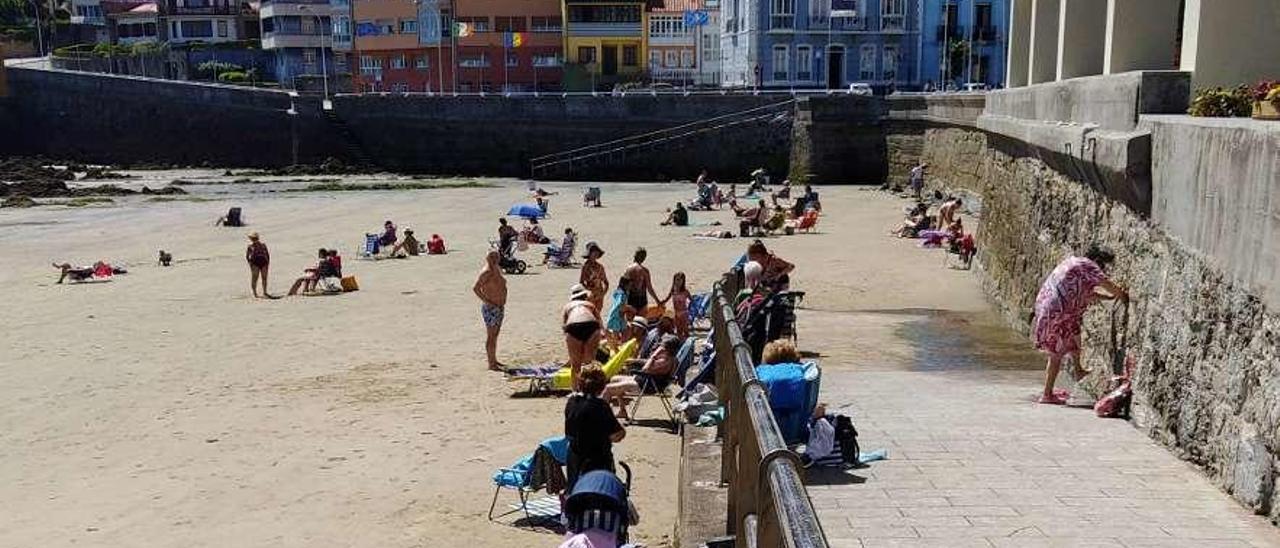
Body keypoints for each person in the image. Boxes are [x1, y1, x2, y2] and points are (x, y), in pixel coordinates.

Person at [1032, 245, 1128, 405]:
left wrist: (1107, 297)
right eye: (1104, 266)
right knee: (1056, 354)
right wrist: (1121, 295)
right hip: (1057, 312)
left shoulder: (1075, 263)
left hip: (1050, 307)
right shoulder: (1089, 265)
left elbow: (1083, 293)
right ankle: (1047, 395)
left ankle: (1078, 370)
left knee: (1074, 333)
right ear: (1098, 261)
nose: (1103, 270)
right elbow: (1106, 283)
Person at [564, 364, 626, 491]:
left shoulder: (571, 402)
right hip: (598, 459)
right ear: (601, 386)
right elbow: (618, 434)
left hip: (575, 456)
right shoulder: (601, 406)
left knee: (575, 489)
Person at [604, 335, 681, 420]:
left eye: (662, 345)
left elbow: (645, 369)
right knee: (614, 379)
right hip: (645, 381)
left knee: (608, 389)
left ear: (667, 347)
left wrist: (654, 355)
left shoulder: (665, 361)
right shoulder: (671, 358)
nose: (659, 346)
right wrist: (635, 361)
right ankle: (622, 411)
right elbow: (648, 363)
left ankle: (602, 417)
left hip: (645, 386)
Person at [563, 284, 604, 391]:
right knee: (589, 363)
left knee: (575, 364)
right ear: (585, 295)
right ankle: (591, 389)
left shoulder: (568, 306)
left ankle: (574, 390)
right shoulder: (590, 304)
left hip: (573, 327)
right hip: (591, 326)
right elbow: (600, 324)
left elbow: (564, 326)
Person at [473, 250, 508, 372]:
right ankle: (491, 363)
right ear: (487, 258)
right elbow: (476, 288)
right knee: (491, 336)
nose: (495, 258)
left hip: (499, 307)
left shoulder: (497, 269)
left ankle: (494, 360)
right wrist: (488, 301)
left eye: (496, 256)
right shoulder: (486, 272)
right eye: (492, 257)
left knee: (495, 335)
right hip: (491, 308)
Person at [623, 248, 660, 313]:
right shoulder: (645, 271)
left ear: (634, 256)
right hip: (642, 299)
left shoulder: (628, 269)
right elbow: (650, 289)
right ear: (644, 259)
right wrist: (657, 301)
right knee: (642, 321)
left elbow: (623, 287)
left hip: (631, 298)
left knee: (631, 322)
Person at [580, 241, 609, 312]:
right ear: (589, 254)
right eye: (593, 252)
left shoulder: (600, 267)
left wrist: (603, 294)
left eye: (596, 252)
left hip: (599, 294)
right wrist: (588, 291)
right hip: (590, 295)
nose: (595, 254)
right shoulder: (585, 267)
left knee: (597, 314)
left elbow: (606, 283)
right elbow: (581, 282)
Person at [664, 272, 692, 338]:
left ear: (683, 281)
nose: (678, 282)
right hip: (676, 313)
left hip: (684, 313)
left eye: (680, 280)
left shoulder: (685, 291)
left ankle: (688, 343)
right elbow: (667, 298)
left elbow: (692, 300)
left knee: (685, 330)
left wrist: (690, 308)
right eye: (676, 280)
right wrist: (660, 303)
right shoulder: (673, 291)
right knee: (678, 330)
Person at [245, 232, 272, 298]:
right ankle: (256, 293)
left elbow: (267, 254)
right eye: (253, 238)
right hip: (256, 263)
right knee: (255, 278)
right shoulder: (251, 246)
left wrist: (267, 263)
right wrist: (250, 264)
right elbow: (247, 256)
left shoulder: (262, 245)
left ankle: (264, 292)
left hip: (262, 263)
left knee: (263, 278)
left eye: (255, 238)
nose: (254, 240)